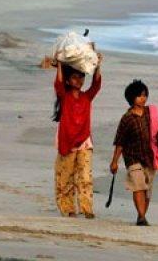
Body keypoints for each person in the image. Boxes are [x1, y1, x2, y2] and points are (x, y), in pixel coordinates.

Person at [53, 53, 102, 218]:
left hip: (84, 142)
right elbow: (58, 83)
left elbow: (96, 85)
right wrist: (60, 64)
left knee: (85, 176)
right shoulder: (64, 97)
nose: (79, 81)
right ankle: (67, 208)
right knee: (66, 177)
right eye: (75, 78)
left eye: (81, 78)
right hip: (67, 141)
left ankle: (87, 208)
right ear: (68, 80)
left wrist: (97, 65)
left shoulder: (86, 97)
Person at [109, 79, 157, 226]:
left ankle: (140, 216)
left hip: (149, 157)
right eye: (139, 96)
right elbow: (120, 142)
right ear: (131, 98)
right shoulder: (127, 119)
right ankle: (142, 217)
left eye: (144, 95)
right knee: (138, 185)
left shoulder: (151, 113)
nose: (143, 98)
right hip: (132, 158)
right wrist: (114, 161)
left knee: (147, 190)